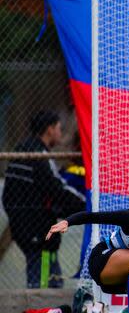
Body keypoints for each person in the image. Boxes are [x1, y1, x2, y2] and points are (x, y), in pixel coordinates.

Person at [2, 111, 86, 288]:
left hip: (25, 229)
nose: (60, 134)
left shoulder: (22, 150)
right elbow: (57, 188)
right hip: (38, 232)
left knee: (45, 276)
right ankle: (41, 311)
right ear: (49, 130)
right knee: (42, 286)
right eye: (58, 129)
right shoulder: (39, 155)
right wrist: (86, 204)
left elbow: (9, 195)